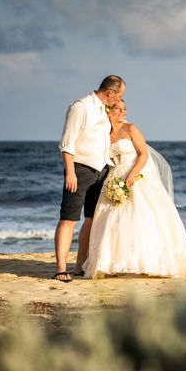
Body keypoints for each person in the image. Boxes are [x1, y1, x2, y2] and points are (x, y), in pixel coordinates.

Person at [82, 100, 186, 278]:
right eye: (118, 109)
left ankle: (148, 262)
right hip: (114, 177)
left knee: (143, 217)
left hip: (137, 175)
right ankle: (113, 263)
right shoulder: (104, 134)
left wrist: (132, 175)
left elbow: (144, 154)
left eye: (124, 109)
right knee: (113, 219)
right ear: (108, 110)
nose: (122, 112)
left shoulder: (131, 129)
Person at [53, 75, 126, 282]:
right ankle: (60, 269)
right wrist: (70, 172)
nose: (120, 100)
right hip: (80, 170)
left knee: (92, 221)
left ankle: (79, 266)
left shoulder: (106, 110)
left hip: (102, 172)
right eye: (119, 96)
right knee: (68, 219)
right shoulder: (81, 107)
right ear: (110, 93)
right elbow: (67, 143)